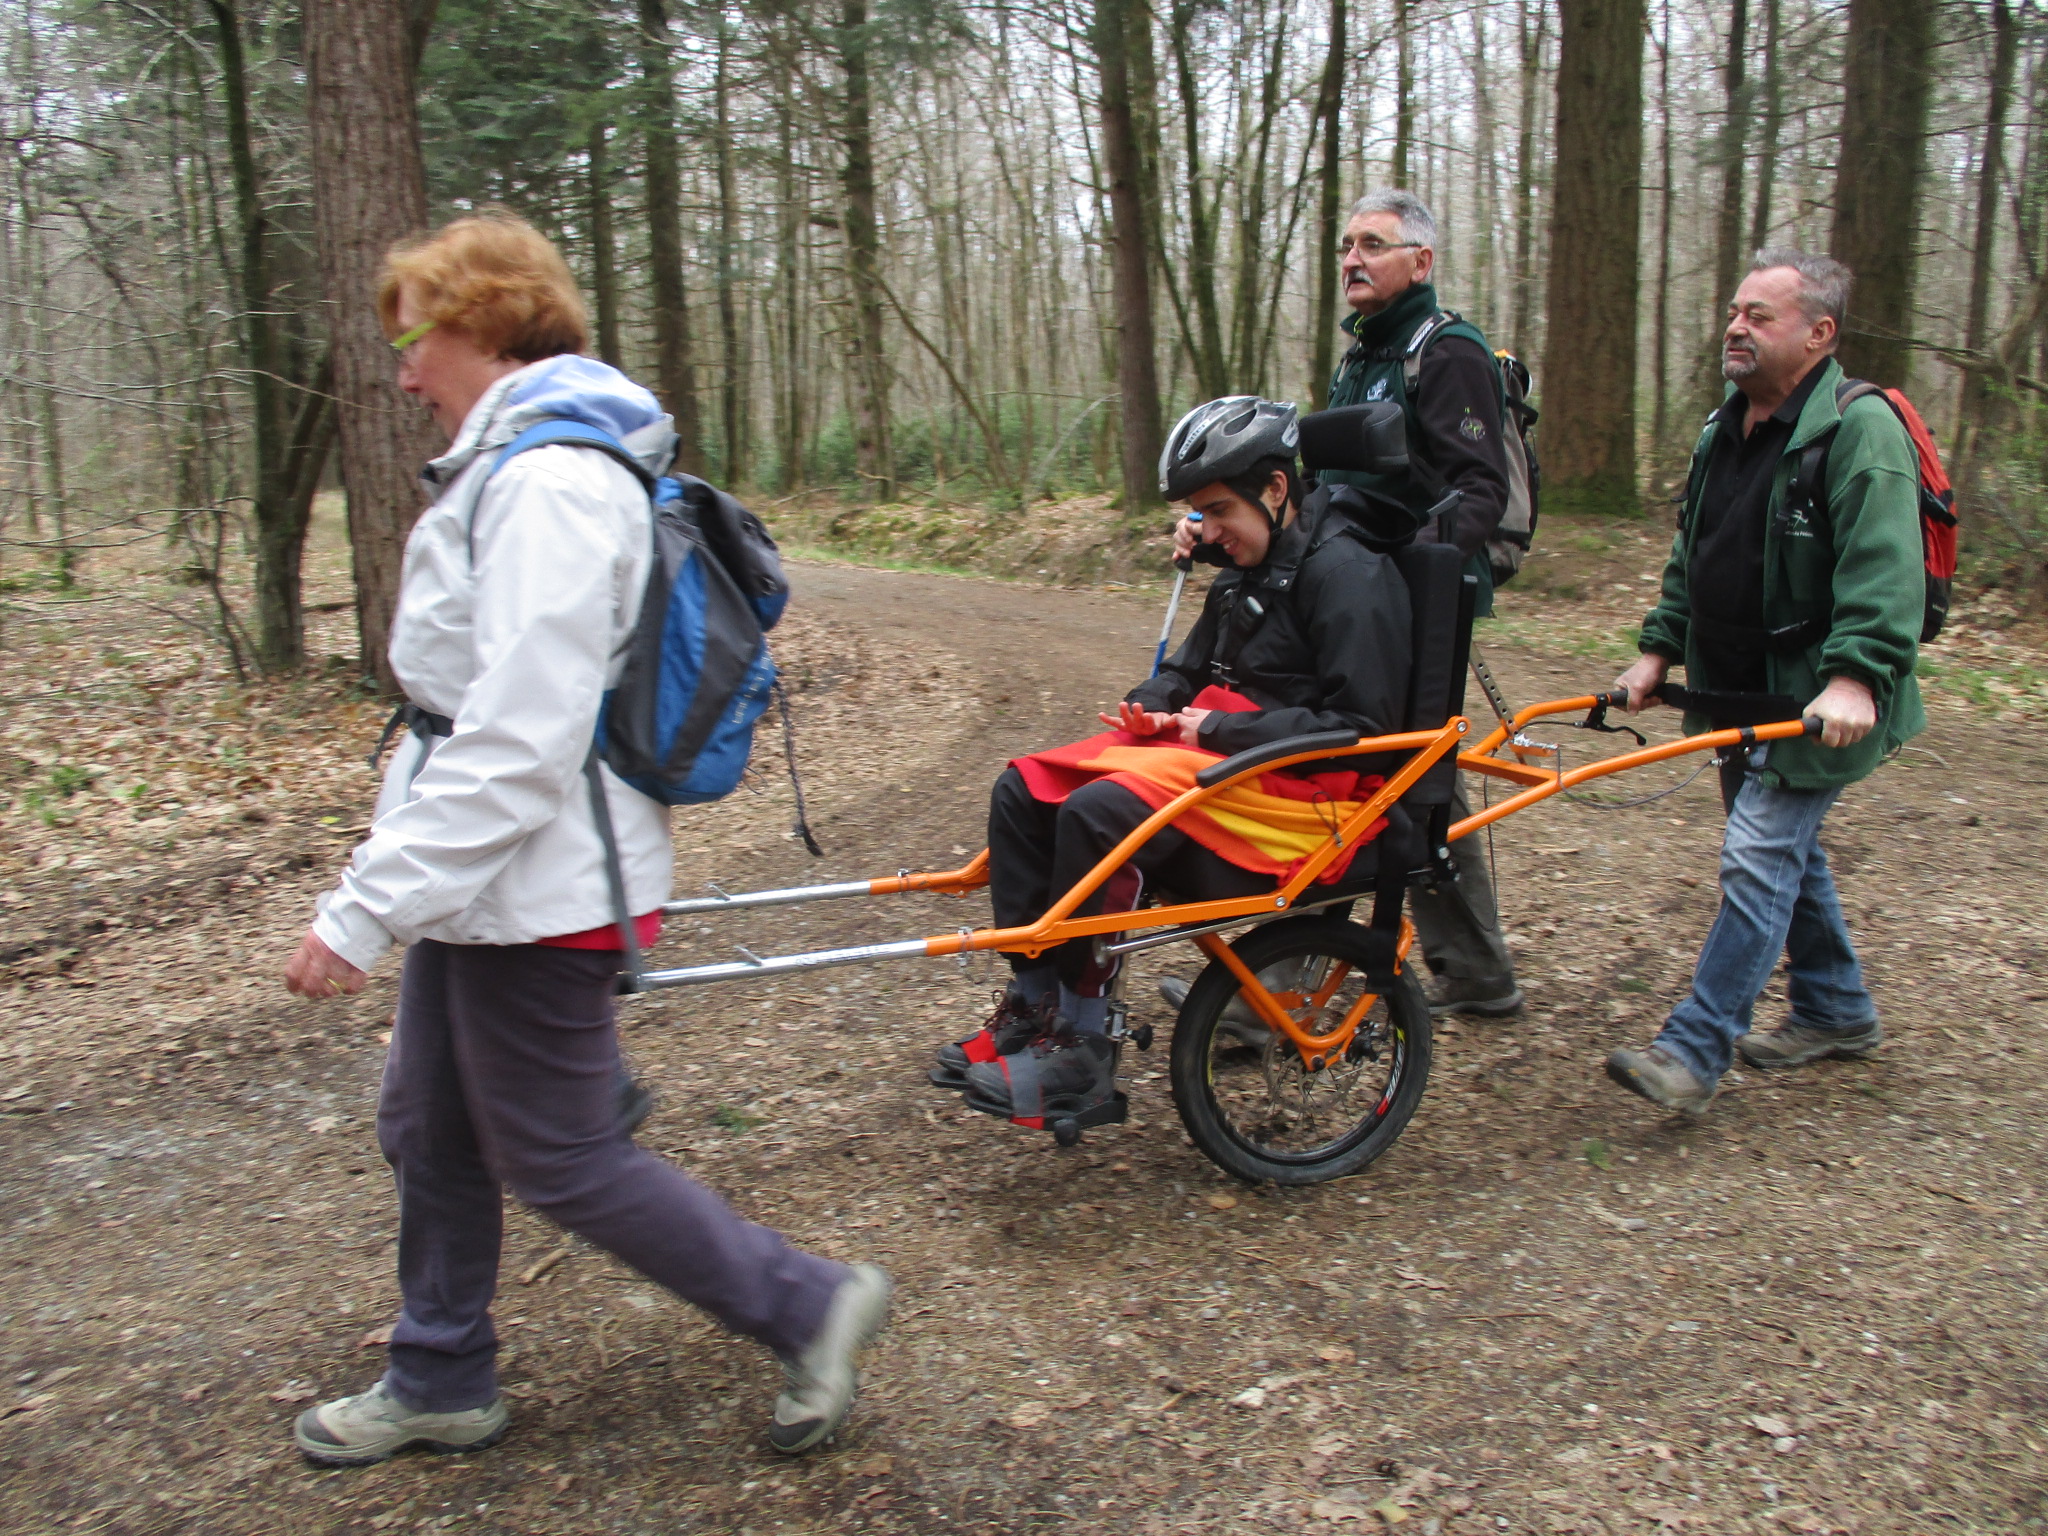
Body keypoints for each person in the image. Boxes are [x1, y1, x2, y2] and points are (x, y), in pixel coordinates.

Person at [279, 212, 889, 1466]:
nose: (400, 372)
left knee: (556, 1152)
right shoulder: (519, 463)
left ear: (483, 323)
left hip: (537, 881)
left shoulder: (551, 482)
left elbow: (516, 741)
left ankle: (806, 1302)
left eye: (413, 336)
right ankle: (439, 1370)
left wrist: (361, 907)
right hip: (492, 879)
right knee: (431, 1124)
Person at [931, 397, 1414, 1121]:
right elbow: (1188, 669)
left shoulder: (1347, 576)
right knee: (1023, 789)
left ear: (1276, 490)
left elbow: (1360, 727)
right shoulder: (1245, 571)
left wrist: (1215, 728)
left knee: (1101, 812)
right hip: (1233, 765)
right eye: (1200, 513)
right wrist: (1153, 699)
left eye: (1219, 510)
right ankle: (1033, 1003)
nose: (1206, 532)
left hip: (1305, 799)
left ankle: (1083, 1049)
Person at [1167, 188, 1522, 1021]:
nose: (1353, 260)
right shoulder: (1363, 355)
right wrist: (1213, 524)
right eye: (1346, 247)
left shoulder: (1448, 352)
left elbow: (1479, 491)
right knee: (1391, 778)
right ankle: (1463, 975)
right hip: (1339, 591)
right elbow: (1313, 484)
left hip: (1404, 605)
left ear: (1421, 262)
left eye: (1373, 245)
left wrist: (1402, 576)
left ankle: (1278, 994)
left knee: (1384, 778)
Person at [1607, 249, 1925, 1115]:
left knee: (1757, 859)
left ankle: (1693, 1051)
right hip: (1731, 690)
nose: (1735, 327)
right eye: (1735, 312)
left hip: (1816, 700)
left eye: (1761, 315)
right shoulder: (1724, 429)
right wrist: (1657, 654)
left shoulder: (1860, 430)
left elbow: (1885, 568)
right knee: (1785, 858)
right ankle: (1836, 1009)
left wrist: (1858, 677)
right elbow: (1694, 553)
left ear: (1820, 334)